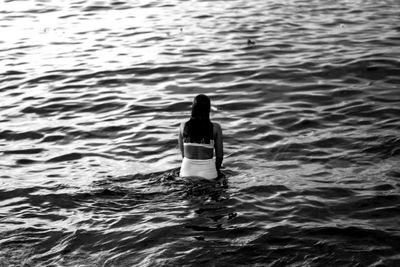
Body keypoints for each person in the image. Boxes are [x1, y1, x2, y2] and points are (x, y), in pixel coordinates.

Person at [178, 94, 223, 180]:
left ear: (193, 108)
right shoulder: (216, 128)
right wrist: (216, 170)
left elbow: (183, 155)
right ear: (208, 109)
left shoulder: (182, 126)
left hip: (186, 172)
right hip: (208, 174)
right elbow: (219, 156)